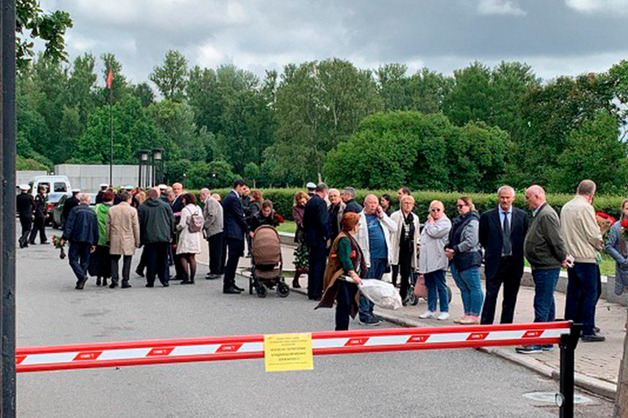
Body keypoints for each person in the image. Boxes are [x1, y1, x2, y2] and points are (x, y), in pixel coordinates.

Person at [517, 185, 569, 354]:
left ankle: (537, 341)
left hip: (546, 266)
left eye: (528, 197)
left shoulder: (546, 215)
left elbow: (555, 240)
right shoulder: (542, 213)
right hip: (542, 265)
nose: (526, 201)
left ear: (537, 196)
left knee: (542, 302)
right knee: (547, 301)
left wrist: (562, 257)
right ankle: (547, 339)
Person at [561, 180, 605, 342]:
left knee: (574, 292)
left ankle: (572, 324)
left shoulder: (566, 207)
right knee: (591, 292)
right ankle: (587, 328)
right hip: (586, 257)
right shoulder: (585, 208)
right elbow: (593, 235)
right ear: (592, 193)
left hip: (571, 256)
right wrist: (600, 243)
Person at [479, 186, 529, 325]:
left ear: (513, 198)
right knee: (490, 296)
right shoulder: (487, 216)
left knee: (510, 297)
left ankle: (505, 327)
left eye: (508, 197)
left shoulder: (522, 216)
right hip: (495, 262)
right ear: (498, 198)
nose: (505, 200)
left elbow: (525, 237)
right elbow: (483, 238)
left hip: (514, 263)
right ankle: (485, 327)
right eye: (502, 197)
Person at [316, 213, 367, 331]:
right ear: (353, 226)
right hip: (343, 278)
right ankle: (341, 331)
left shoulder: (346, 236)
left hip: (346, 278)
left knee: (346, 305)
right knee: (345, 305)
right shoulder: (344, 239)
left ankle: (342, 331)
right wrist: (354, 274)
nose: (359, 227)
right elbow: (345, 258)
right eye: (358, 224)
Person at [355, 194, 398, 325]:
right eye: (371, 203)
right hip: (368, 258)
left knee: (376, 286)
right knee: (366, 286)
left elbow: (394, 228)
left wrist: (383, 216)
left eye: (376, 203)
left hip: (382, 257)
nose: (374, 205)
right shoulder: (359, 218)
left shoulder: (381, 217)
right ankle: (364, 315)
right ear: (365, 204)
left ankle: (370, 311)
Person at [445, 196, 483, 325]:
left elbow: (471, 241)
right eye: (457, 206)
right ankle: (467, 313)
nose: (459, 208)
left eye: (461, 206)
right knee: (464, 288)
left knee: (474, 287)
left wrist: (455, 249)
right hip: (457, 259)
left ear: (469, 206)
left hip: (469, 259)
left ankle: (475, 314)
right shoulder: (460, 221)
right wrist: (448, 247)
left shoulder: (473, 221)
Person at [418, 201, 452, 320]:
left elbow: (434, 233)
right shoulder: (429, 222)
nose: (435, 212)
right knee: (430, 285)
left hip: (438, 259)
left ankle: (444, 310)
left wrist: (431, 223)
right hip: (427, 260)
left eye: (438, 210)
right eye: (433, 210)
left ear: (443, 211)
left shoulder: (445, 223)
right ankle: (430, 309)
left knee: (441, 285)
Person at [60, 194, 99, 290]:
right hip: (88, 239)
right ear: (88, 201)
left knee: (73, 259)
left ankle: (81, 277)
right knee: (84, 261)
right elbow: (95, 228)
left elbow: (69, 225)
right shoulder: (92, 212)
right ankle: (81, 281)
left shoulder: (75, 210)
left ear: (80, 201)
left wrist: (64, 237)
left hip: (76, 238)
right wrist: (95, 242)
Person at [138, 187, 175, 288]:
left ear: (148, 196)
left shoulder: (142, 207)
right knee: (163, 259)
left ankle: (150, 281)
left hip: (149, 237)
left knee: (151, 260)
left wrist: (140, 238)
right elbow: (172, 220)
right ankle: (165, 280)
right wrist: (171, 234)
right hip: (164, 236)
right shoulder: (165, 205)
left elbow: (140, 224)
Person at [222, 179, 251, 294]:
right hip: (234, 232)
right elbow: (239, 216)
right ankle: (228, 284)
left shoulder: (232, 197)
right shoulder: (232, 198)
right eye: (243, 188)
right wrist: (248, 230)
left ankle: (231, 282)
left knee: (234, 259)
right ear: (238, 186)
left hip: (234, 232)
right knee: (232, 259)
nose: (244, 191)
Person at [390, 195, 420, 303]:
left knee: (405, 272)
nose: (407, 205)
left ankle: (403, 296)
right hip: (397, 247)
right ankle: (392, 295)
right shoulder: (395, 216)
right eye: (405, 203)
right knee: (394, 272)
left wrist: (417, 246)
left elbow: (416, 234)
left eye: (410, 203)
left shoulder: (415, 218)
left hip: (408, 249)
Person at [303, 183, 331, 301]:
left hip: (310, 237)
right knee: (320, 265)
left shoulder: (310, 202)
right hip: (319, 238)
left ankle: (311, 291)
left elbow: (304, 220)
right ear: (324, 192)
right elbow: (323, 221)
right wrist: (327, 236)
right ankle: (317, 292)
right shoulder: (321, 203)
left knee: (312, 264)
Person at [107, 192, 140, 289]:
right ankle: (125, 280)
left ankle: (114, 279)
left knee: (114, 260)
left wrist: (108, 239)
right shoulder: (132, 211)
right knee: (127, 260)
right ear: (129, 199)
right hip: (128, 237)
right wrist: (137, 240)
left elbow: (108, 226)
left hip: (115, 237)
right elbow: (135, 227)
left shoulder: (112, 210)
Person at [176, 193, 204, 285]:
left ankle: (186, 277)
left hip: (186, 234)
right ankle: (192, 278)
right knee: (192, 257)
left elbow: (182, 224)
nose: (182, 201)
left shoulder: (185, 210)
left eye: (183, 199)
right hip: (195, 234)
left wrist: (176, 228)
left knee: (183, 255)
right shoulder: (198, 209)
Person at [89, 190, 114, 287]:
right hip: (109, 239)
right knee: (107, 259)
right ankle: (105, 278)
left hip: (98, 238)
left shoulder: (97, 208)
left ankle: (98, 276)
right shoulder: (113, 209)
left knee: (98, 259)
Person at [200, 188, 224, 280]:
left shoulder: (211, 201)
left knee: (215, 251)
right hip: (215, 230)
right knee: (213, 251)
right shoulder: (211, 201)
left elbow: (212, 215)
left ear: (204, 194)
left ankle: (216, 271)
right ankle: (213, 270)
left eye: (201, 195)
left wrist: (205, 225)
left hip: (215, 230)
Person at [606, 199, 628, 297]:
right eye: (627, 208)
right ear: (623, 210)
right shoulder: (616, 227)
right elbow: (609, 246)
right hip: (625, 266)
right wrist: (622, 260)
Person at [292, 191, 310, 289]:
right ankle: (296, 278)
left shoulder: (310, 206)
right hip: (302, 234)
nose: (302, 204)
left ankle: (309, 280)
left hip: (310, 233)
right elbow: (298, 221)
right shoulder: (296, 209)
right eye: (300, 203)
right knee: (302, 257)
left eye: (303, 202)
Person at [170, 182, 185, 281]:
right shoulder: (174, 199)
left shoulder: (181, 199)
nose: (176, 190)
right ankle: (179, 272)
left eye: (178, 189)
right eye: (174, 189)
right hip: (174, 227)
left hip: (178, 227)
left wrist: (174, 214)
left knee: (178, 252)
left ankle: (181, 272)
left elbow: (182, 212)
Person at [17, 184, 34, 249]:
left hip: (21, 214)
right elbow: (34, 205)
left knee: (23, 228)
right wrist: (33, 211)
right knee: (28, 228)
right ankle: (22, 239)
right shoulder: (30, 197)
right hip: (28, 214)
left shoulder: (18, 197)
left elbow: (17, 206)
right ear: (27, 190)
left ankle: (24, 243)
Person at [246, 190, 263, 257]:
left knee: (250, 239)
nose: (249, 197)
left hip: (252, 226)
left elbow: (253, 216)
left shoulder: (253, 205)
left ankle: (251, 252)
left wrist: (245, 219)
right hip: (257, 226)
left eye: (251, 196)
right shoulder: (259, 204)